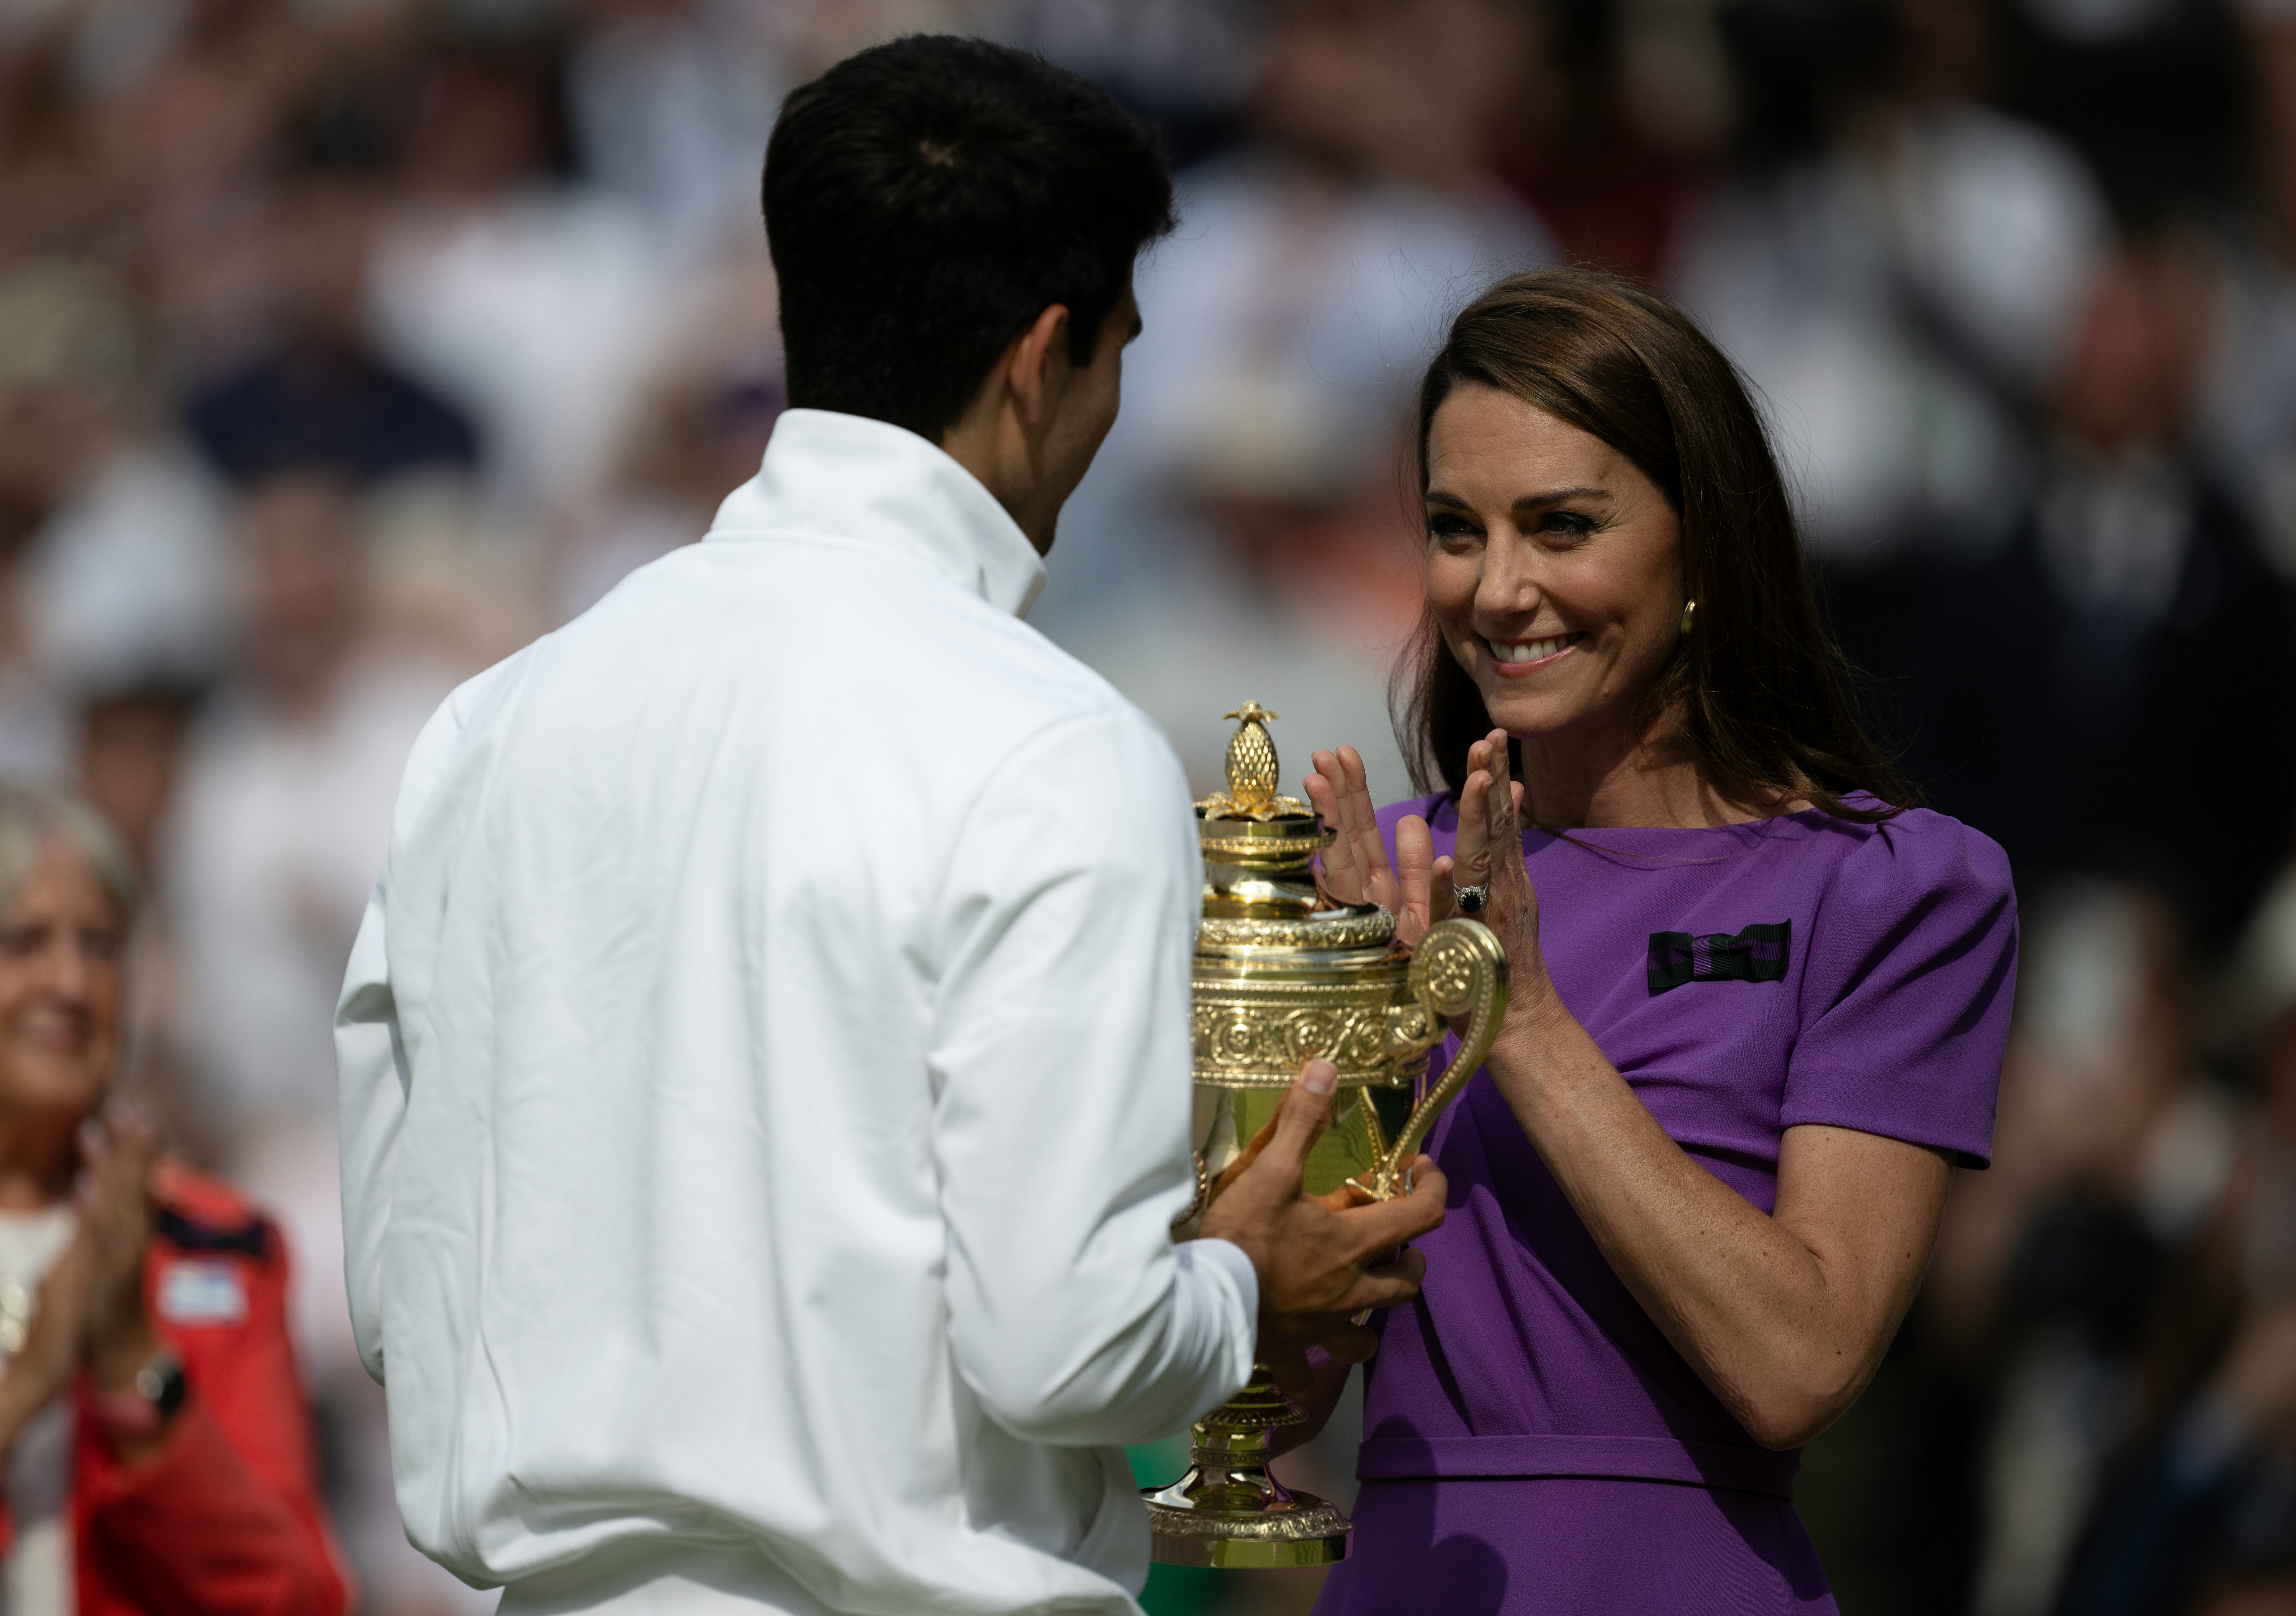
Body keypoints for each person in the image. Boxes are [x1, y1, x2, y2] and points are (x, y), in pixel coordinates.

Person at [335, 35, 1446, 1616]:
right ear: (1044, 356)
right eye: (1123, 350)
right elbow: (1071, 1346)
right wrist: (1249, 1288)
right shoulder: (1051, 746)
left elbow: (400, 1287)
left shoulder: (491, 722)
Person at [1288, 269, 2018, 1613]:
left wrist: (1522, 1018)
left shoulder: (1899, 889)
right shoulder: (1379, 874)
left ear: (1706, 544)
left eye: (1561, 526)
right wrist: (1350, 1048)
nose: (1501, 590)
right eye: (1458, 529)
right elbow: (1270, 1405)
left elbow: (1798, 1362)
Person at [0, 779, 348, 1615]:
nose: (73, 984)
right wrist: (24, 1393)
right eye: (24, 942)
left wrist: (131, 1366)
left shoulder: (218, 1245)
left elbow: (290, 1596)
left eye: (103, 946)